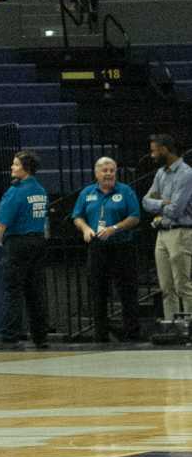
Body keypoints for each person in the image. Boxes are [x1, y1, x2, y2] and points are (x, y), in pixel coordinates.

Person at [72, 157, 141, 343]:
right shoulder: (87, 193)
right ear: (96, 173)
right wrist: (85, 228)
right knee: (98, 291)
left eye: (112, 170)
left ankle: (132, 334)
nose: (109, 173)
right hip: (97, 247)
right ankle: (100, 335)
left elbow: (135, 217)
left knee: (127, 291)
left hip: (122, 246)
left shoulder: (125, 191)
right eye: (105, 170)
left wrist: (114, 228)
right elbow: (77, 216)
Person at [0, 150, 51, 350]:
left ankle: (9, 336)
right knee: (35, 291)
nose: (12, 167)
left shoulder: (16, 191)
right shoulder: (41, 191)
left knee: (14, 290)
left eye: (16, 164)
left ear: (25, 169)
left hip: (18, 243)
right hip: (38, 241)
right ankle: (40, 336)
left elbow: (1, 222)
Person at [142, 134, 192, 327]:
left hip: (181, 232)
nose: (152, 155)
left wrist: (159, 206)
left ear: (165, 150)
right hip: (162, 234)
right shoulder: (161, 173)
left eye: (154, 150)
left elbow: (177, 209)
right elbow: (146, 201)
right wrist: (162, 202)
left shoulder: (186, 174)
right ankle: (171, 326)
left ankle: (188, 326)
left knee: (183, 285)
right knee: (165, 287)